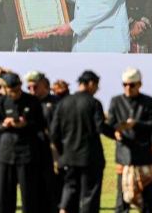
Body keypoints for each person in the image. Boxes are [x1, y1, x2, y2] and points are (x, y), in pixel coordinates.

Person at [51, 71, 108, 213]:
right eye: (97, 86)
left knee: (70, 190)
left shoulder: (63, 103)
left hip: (69, 157)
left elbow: (54, 133)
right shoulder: (94, 103)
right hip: (90, 158)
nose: (97, 89)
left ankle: (63, 209)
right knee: (89, 196)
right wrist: (117, 132)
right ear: (91, 83)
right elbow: (100, 127)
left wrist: (62, 152)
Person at [108, 68, 152, 213]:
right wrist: (116, 133)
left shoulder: (149, 102)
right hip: (124, 157)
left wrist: (136, 124)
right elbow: (111, 124)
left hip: (143, 158)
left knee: (147, 199)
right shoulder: (116, 101)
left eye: (132, 85)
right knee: (122, 199)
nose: (128, 88)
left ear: (139, 84)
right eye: (125, 85)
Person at [0, 72, 44, 213]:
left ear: (21, 85)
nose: (14, 94)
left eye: (16, 90)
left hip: (26, 154)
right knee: (5, 196)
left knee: (29, 195)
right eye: (11, 91)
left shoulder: (32, 101)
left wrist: (25, 124)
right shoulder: (0, 102)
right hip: (6, 153)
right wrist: (5, 124)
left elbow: (40, 125)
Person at [25, 71, 59, 213]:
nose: (32, 91)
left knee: (53, 191)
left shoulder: (56, 102)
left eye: (35, 87)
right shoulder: (27, 102)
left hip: (52, 152)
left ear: (45, 85)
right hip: (31, 153)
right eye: (29, 88)